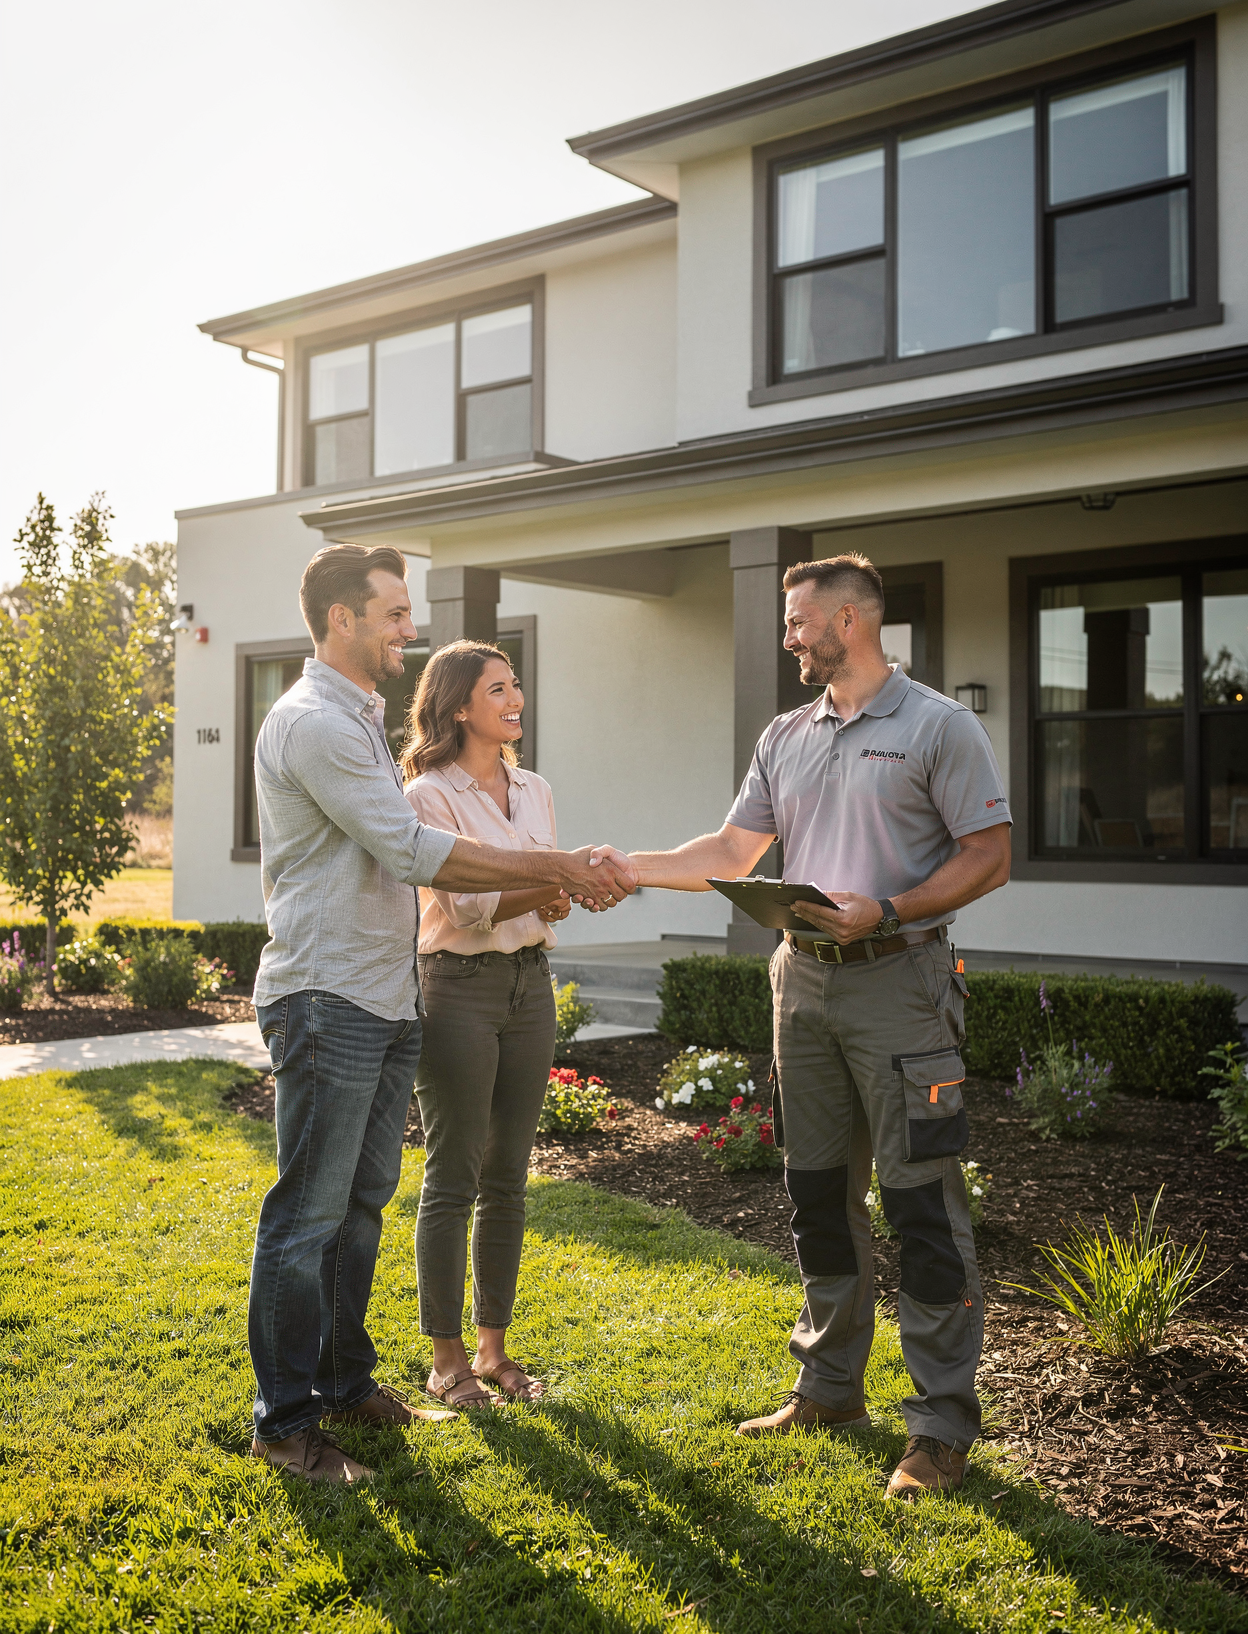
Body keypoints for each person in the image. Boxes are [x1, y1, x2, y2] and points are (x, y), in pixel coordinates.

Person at [621, 553, 1011, 1499]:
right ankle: (831, 1389)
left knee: (921, 1205)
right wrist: (625, 867)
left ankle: (940, 1427)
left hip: (901, 983)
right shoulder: (786, 734)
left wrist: (890, 908)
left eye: (799, 621)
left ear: (849, 620)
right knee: (817, 1194)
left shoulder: (938, 726)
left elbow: (990, 854)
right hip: (800, 984)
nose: (788, 635)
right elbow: (732, 849)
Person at [247, 543, 634, 1485]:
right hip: (327, 995)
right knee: (307, 1216)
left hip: (384, 996)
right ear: (341, 618)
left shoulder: (358, 721)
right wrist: (555, 865)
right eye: (392, 612)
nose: (409, 628)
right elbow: (415, 851)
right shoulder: (315, 724)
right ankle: (285, 1424)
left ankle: (345, 1386)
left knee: (360, 1208)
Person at [401, 641, 571, 1411]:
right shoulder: (427, 796)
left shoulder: (535, 789)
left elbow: (543, 897)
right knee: (454, 1175)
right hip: (457, 990)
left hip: (530, 985)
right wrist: (557, 878)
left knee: (508, 1177)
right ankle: (446, 1363)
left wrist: (557, 889)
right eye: (496, 689)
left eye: (515, 685)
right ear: (460, 706)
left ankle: (492, 1350)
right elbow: (467, 907)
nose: (515, 699)